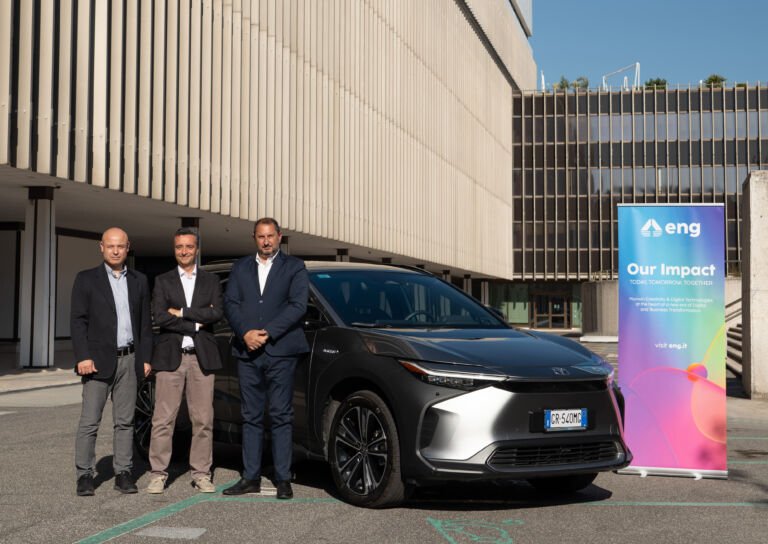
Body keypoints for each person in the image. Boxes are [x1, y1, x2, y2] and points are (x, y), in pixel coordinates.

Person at [222, 218, 309, 499]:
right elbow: (230, 303)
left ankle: (283, 478)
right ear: (254, 238)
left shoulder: (294, 267)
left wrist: (268, 332)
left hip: (281, 351)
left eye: (271, 236)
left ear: (279, 237)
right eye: (261, 236)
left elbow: (298, 306)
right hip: (247, 351)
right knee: (251, 415)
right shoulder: (240, 267)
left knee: (281, 415)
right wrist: (245, 333)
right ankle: (251, 477)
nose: (266, 241)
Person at [71, 227, 152, 496]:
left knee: (125, 421)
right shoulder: (86, 279)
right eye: (110, 246)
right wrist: (82, 356)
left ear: (128, 247)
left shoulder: (139, 280)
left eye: (120, 246)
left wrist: (145, 358)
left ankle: (123, 472)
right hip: (96, 362)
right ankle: (84, 475)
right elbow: (78, 321)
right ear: (101, 247)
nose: (115, 251)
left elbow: (144, 324)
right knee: (90, 421)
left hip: (129, 359)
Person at [145, 228, 224, 494]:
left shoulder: (211, 280)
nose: (184, 251)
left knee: (203, 420)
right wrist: (196, 323)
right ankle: (158, 474)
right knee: (163, 418)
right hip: (171, 357)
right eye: (179, 247)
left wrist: (181, 312)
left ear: (197, 249)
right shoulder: (163, 280)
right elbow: (160, 316)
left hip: (202, 358)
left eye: (189, 246)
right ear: (174, 249)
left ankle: (201, 473)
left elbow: (217, 313)